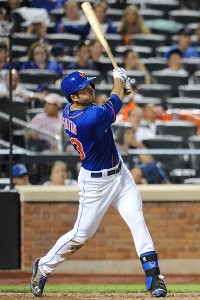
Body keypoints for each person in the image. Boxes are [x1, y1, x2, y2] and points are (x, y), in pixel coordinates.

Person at [30, 69, 167, 298]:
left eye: (90, 85)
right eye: (84, 89)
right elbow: (113, 104)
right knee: (81, 235)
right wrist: (119, 80)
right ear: (73, 97)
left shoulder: (73, 110)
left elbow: (114, 101)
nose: (90, 89)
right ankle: (43, 266)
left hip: (120, 175)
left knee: (136, 219)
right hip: (95, 184)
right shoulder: (87, 118)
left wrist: (121, 87)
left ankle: (154, 277)